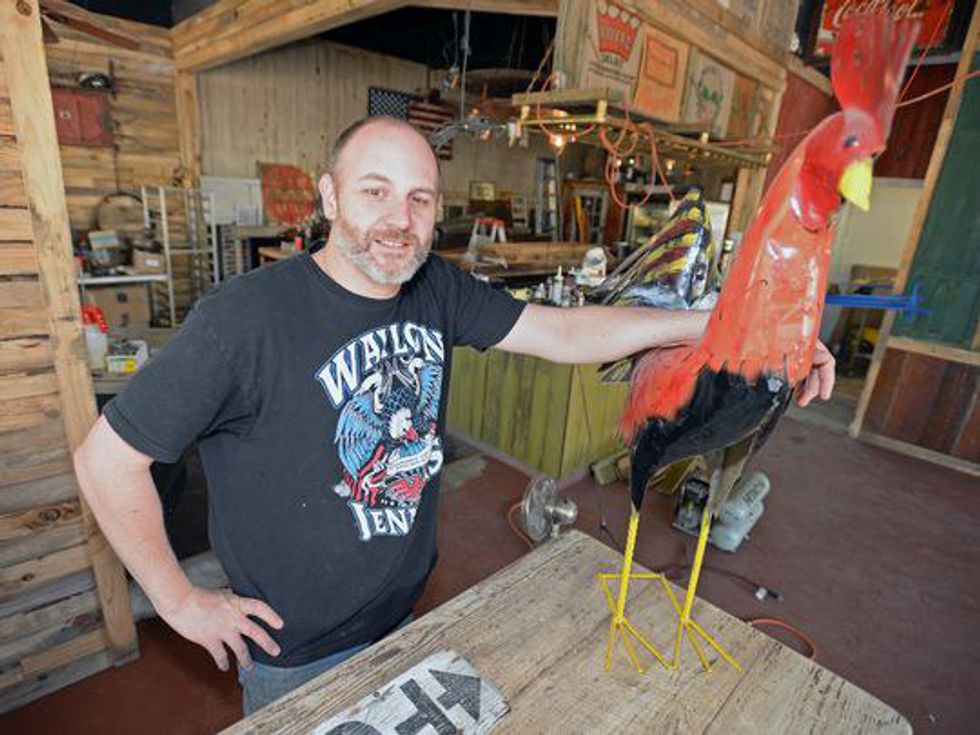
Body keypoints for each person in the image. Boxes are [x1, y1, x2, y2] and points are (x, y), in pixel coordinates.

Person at [73, 116, 835, 715]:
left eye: (419, 198)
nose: (398, 219)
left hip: (407, 617)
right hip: (295, 656)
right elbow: (107, 461)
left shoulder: (434, 288)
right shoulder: (243, 319)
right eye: (374, 191)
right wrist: (178, 599)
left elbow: (564, 333)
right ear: (329, 197)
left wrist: (731, 328)